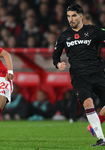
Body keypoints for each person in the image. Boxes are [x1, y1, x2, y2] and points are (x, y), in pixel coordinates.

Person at [52, 4, 105, 146]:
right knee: (88, 102)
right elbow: (55, 55)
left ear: (81, 16)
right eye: (69, 16)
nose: (71, 19)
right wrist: (58, 64)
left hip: (98, 72)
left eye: (74, 15)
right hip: (79, 76)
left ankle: (93, 125)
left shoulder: (94, 31)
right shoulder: (64, 36)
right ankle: (101, 138)